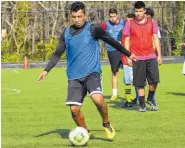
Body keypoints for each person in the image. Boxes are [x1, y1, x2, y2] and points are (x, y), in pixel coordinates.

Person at [37, 2, 136, 139]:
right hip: (74, 77)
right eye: (74, 17)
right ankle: (85, 132)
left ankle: (106, 123)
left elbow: (111, 41)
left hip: (92, 73)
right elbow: (57, 54)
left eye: (79, 16)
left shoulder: (93, 29)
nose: (77, 20)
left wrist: (128, 53)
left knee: (98, 100)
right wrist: (46, 70)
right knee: (74, 110)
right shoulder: (66, 33)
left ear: (85, 15)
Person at [123, 1, 162, 112]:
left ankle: (150, 98)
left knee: (154, 80)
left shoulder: (151, 22)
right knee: (139, 83)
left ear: (145, 11)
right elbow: (126, 40)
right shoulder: (130, 23)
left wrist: (159, 55)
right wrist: (128, 56)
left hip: (151, 56)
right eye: (136, 11)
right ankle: (142, 105)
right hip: (137, 58)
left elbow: (155, 38)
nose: (138, 13)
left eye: (140, 11)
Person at [100, 8, 125, 101]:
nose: (112, 18)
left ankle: (129, 94)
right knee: (115, 72)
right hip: (112, 50)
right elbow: (98, 33)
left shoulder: (124, 23)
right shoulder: (105, 25)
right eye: (110, 16)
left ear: (117, 15)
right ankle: (114, 94)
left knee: (128, 71)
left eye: (114, 16)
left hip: (123, 50)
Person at [121, 13, 138, 107]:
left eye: (130, 21)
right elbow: (123, 47)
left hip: (137, 59)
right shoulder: (124, 32)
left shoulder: (137, 31)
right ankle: (128, 100)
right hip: (126, 59)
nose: (128, 22)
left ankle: (138, 98)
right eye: (127, 20)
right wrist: (127, 58)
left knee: (137, 80)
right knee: (127, 80)